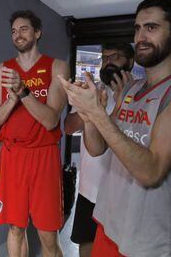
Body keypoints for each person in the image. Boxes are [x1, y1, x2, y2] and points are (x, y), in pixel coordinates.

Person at [59, 0, 171, 256]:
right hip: (108, 222)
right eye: (137, 28)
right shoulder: (131, 90)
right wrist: (90, 114)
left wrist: (96, 114)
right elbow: (98, 147)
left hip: (147, 241)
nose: (141, 37)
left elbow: (151, 170)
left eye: (152, 27)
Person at [0, 10, 69, 257]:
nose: (18, 35)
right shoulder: (1, 70)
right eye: (14, 31)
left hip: (44, 155)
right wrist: (10, 102)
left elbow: (51, 119)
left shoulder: (57, 67)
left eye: (24, 29)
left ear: (37, 32)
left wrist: (23, 93)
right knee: (15, 228)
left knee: (47, 232)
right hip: (13, 156)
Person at [65, 43, 134, 257]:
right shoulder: (92, 91)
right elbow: (68, 127)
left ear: (130, 62)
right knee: (86, 246)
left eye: (116, 56)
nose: (109, 61)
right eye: (104, 58)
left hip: (122, 193)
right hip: (89, 189)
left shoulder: (140, 93)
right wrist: (89, 109)